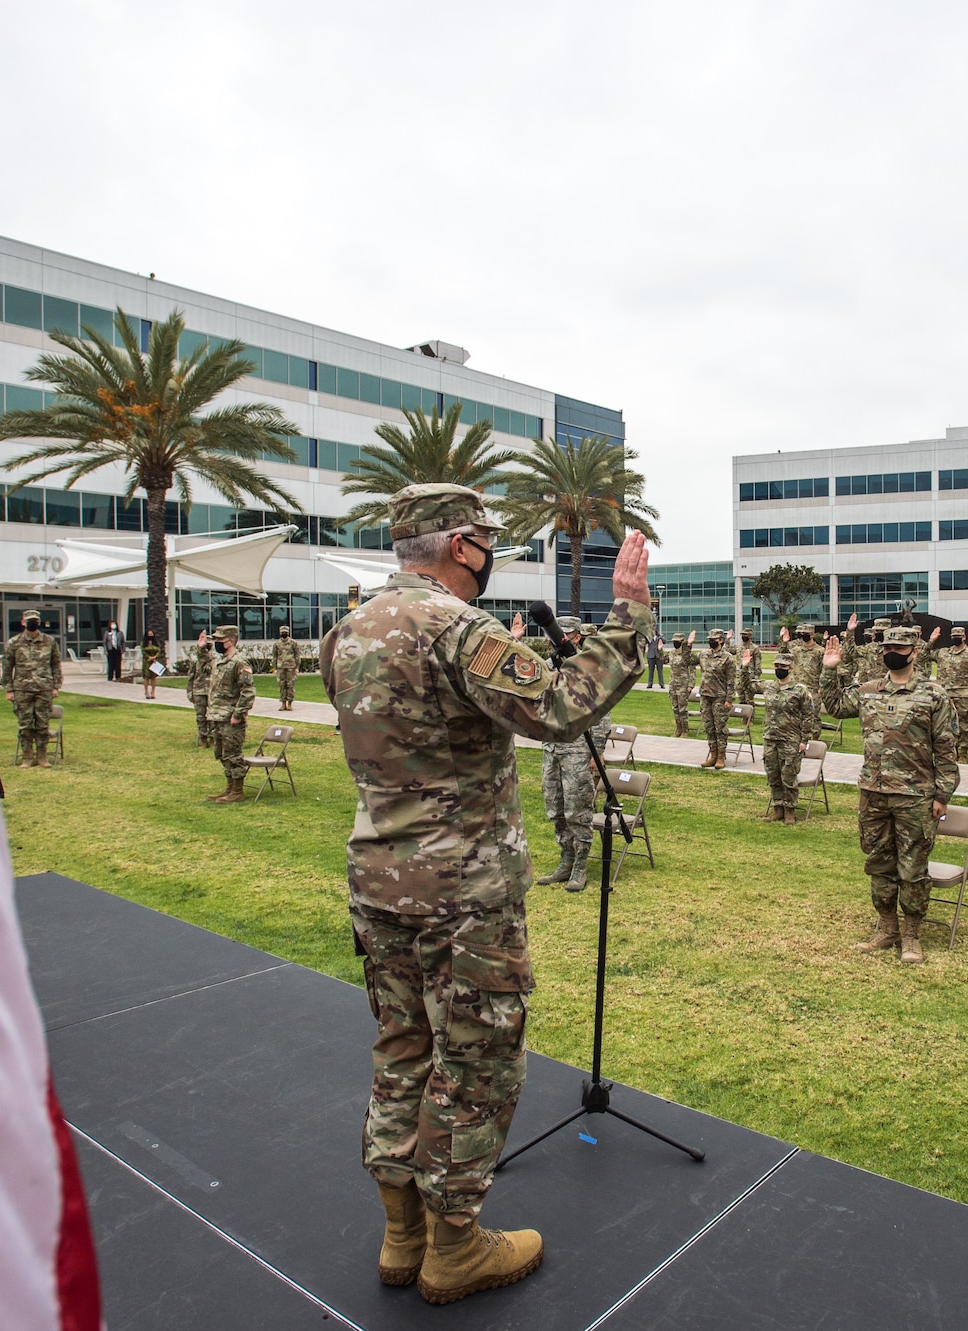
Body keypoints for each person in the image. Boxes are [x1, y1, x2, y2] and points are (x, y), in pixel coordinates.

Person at [331, 484, 651, 1304]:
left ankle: (402, 1235)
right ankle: (455, 1246)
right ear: (463, 544)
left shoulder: (349, 628)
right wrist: (627, 618)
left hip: (380, 881)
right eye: (486, 543)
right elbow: (557, 708)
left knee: (402, 1048)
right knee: (473, 1063)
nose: (490, 557)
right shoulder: (455, 626)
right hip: (461, 893)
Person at [819, 624, 959, 964]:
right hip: (874, 792)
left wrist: (943, 795)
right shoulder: (869, 691)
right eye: (886, 649)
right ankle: (887, 927)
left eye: (898, 648)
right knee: (879, 862)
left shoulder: (934, 694)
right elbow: (835, 706)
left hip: (916, 795)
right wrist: (829, 670)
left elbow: (946, 749)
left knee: (913, 867)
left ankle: (911, 934)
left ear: (914, 652)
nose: (891, 653)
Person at [535, 616, 615, 893]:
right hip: (552, 747)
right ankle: (565, 860)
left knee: (577, 809)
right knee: (555, 807)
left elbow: (602, 712)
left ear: (576, 637)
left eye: (561, 634)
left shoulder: (588, 668)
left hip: (579, 749)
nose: (552, 640)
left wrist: (599, 751)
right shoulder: (547, 667)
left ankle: (580, 865)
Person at [0, 609, 63, 768]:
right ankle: (27, 757)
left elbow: (56, 665)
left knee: (43, 724)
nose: (32, 623)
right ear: (23, 623)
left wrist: (56, 686)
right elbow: (7, 667)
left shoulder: (49, 641)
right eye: (29, 620)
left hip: (44, 689)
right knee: (25, 724)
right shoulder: (14, 643)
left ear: (39, 623)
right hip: (22, 689)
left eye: (34, 620)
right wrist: (8, 689)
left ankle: (42, 756)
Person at [761, 653, 819, 822]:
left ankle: (790, 810)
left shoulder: (800, 690)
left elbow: (809, 715)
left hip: (791, 740)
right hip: (770, 738)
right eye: (777, 666)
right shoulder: (770, 687)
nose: (780, 669)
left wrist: (804, 740)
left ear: (791, 668)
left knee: (789, 776)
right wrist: (744, 667)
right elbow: (745, 685)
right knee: (773, 776)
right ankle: (778, 808)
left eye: (783, 667)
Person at [204, 625, 256, 803]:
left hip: (230, 717)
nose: (217, 643)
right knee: (221, 753)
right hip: (217, 716)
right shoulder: (220, 661)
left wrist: (238, 713)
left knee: (233, 754)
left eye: (220, 640)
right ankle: (229, 788)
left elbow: (248, 691)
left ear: (231, 641)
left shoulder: (239, 662)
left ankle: (237, 791)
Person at [935, 626, 968, 749]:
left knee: (964, 725)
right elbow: (922, 655)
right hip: (945, 694)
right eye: (954, 637)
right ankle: (950, 749)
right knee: (946, 724)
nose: (956, 639)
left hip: (964, 694)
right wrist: (931, 640)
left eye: (959, 637)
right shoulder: (943, 653)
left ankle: (964, 750)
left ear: (964, 637)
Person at [698, 629, 738, 768]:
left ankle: (721, 757)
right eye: (709, 638)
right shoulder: (704, 655)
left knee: (719, 728)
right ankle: (713, 755)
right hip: (705, 695)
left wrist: (729, 699)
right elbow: (688, 660)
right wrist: (688, 645)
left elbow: (731, 680)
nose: (711, 641)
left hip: (720, 697)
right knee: (709, 727)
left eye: (713, 638)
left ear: (721, 640)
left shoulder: (727, 658)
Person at [183, 630, 216, 745]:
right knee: (200, 716)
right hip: (199, 690)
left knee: (212, 716)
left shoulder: (216, 658)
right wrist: (189, 691)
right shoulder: (195, 659)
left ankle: (213, 737)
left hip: (212, 691)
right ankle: (202, 737)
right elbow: (191, 676)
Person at [668, 632, 698, 736]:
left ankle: (685, 730)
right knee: (675, 708)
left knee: (682, 709)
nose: (675, 643)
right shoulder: (672, 653)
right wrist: (659, 650)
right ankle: (678, 729)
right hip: (673, 684)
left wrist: (691, 685)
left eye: (677, 641)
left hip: (683, 685)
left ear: (682, 642)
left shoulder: (687, 655)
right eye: (674, 641)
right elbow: (663, 660)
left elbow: (693, 670)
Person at [271, 624, 302, 710]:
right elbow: (274, 656)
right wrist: (275, 668)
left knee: (290, 684)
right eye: (282, 632)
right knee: (282, 685)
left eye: (285, 632)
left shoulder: (293, 643)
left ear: (288, 633)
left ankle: (290, 703)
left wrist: (297, 667)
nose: (284, 633)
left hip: (291, 667)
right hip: (280, 667)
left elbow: (297, 655)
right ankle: (283, 703)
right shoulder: (276, 644)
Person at [139, 630, 161, 699]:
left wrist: (154, 657)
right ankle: (146, 692)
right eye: (149, 634)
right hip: (147, 661)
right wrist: (149, 657)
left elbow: (159, 650)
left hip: (154, 662)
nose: (150, 635)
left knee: (153, 677)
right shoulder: (143, 643)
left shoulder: (156, 643)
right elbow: (143, 651)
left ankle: (153, 692)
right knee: (146, 677)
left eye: (151, 634)